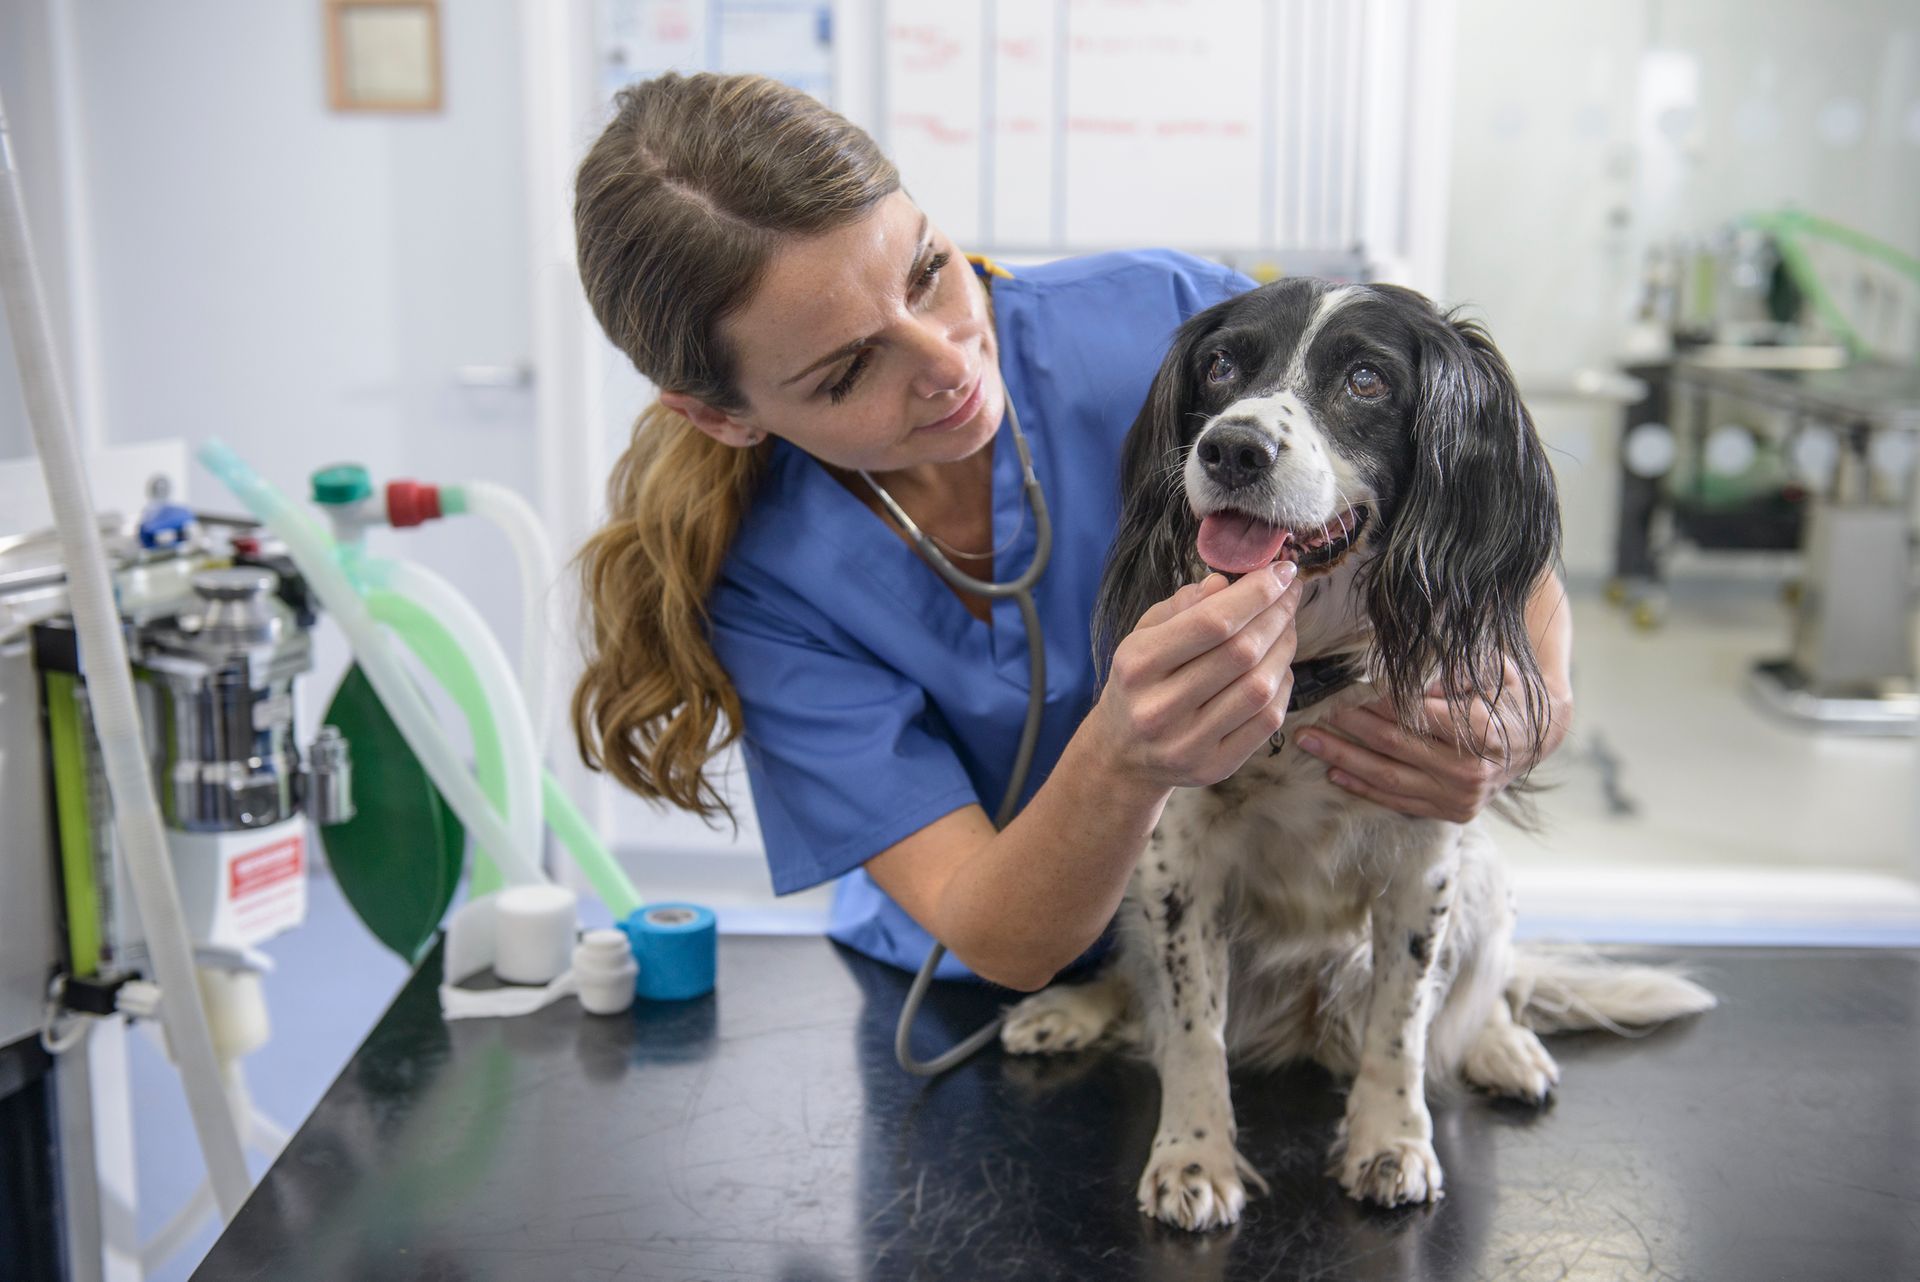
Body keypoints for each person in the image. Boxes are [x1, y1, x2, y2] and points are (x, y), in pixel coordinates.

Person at [570, 72, 1573, 992]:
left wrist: (1532, 706)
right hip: (983, 997)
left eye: (928, 269)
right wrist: (1123, 757)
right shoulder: (767, 585)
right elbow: (998, 933)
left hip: (1254, 951)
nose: (949, 361)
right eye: (846, 370)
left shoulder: (1169, 320)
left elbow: (1465, 487)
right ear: (723, 415)